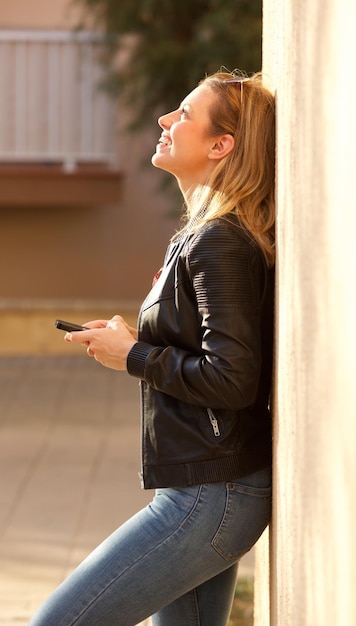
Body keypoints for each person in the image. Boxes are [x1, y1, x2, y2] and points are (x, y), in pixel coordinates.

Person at [29, 69, 276, 626]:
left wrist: (133, 356)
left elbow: (233, 378)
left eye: (184, 113)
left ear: (221, 145)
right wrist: (136, 341)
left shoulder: (219, 241)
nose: (166, 119)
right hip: (207, 489)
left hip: (211, 497)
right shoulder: (205, 235)